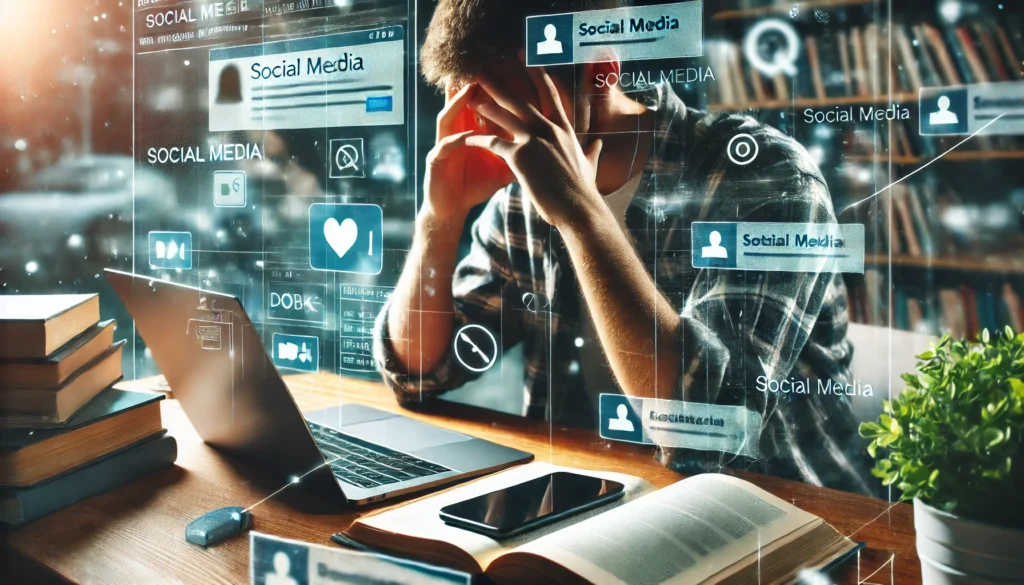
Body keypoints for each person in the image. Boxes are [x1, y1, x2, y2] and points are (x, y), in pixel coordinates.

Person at [373, 0, 874, 495]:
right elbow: (421, 372)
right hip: (592, 495)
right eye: (476, 108)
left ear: (602, 70)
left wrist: (581, 215)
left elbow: (706, 429)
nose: (496, 132)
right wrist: (440, 218)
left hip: (784, 519)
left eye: (512, 104)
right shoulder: (518, 197)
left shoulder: (766, 176)